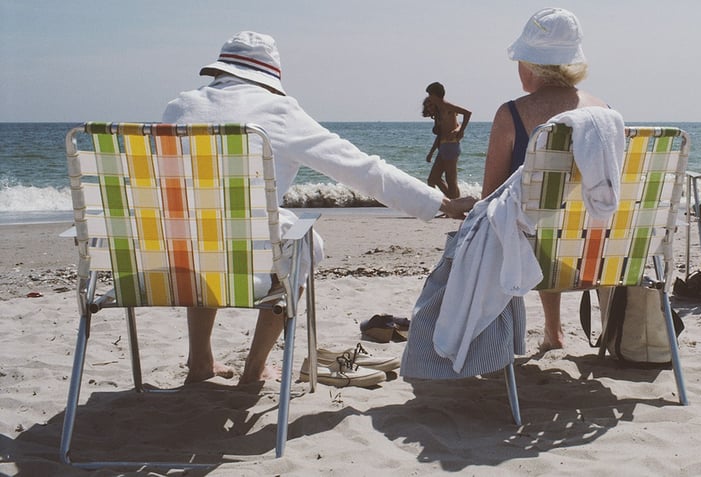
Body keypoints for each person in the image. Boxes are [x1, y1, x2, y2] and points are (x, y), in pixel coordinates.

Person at [162, 31, 475, 385]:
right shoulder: (277, 112)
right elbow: (362, 169)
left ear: (220, 71)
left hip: (177, 261)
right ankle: (254, 369)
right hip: (246, 259)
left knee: (200, 224)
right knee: (302, 244)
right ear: (269, 76)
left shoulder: (179, 108)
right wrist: (441, 202)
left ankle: (200, 361)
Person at [481, 8, 608, 352]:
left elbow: (489, 200)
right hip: (602, 255)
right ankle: (562, 331)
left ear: (529, 63)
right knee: (559, 220)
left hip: (534, 257)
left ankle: (545, 333)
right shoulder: (605, 115)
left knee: (531, 222)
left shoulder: (511, 115)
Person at [423, 82, 471, 199]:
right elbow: (439, 135)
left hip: (451, 146)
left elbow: (467, 113)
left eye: (430, 95)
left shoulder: (447, 106)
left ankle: (453, 205)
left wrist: (460, 131)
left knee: (451, 180)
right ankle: (448, 203)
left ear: (436, 95)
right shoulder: (438, 112)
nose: (429, 97)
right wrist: (431, 152)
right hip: (442, 147)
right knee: (433, 180)